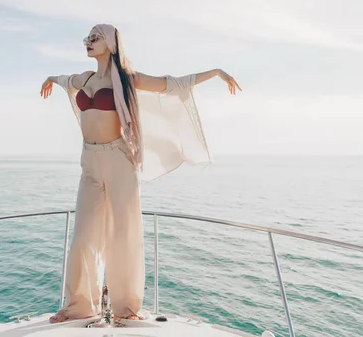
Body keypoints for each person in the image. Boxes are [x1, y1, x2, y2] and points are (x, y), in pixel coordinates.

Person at [40, 24, 241, 323]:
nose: (88, 42)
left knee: (124, 233)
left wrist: (216, 72)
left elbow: (172, 83)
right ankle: (80, 305)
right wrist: (49, 79)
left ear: (110, 43)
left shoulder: (127, 79)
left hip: (118, 159)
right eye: (87, 38)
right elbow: (63, 80)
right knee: (83, 235)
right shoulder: (85, 78)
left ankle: (126, 308)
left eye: (95, 38)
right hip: (89, 161)